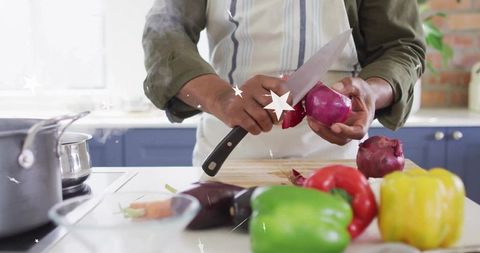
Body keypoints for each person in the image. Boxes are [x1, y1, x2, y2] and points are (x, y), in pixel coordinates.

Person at [142, 0, 426, 166]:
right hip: (229, 157)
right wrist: (221, 97)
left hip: (338, 162)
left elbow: (401, 48)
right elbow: (164, 33)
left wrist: (370, 91)